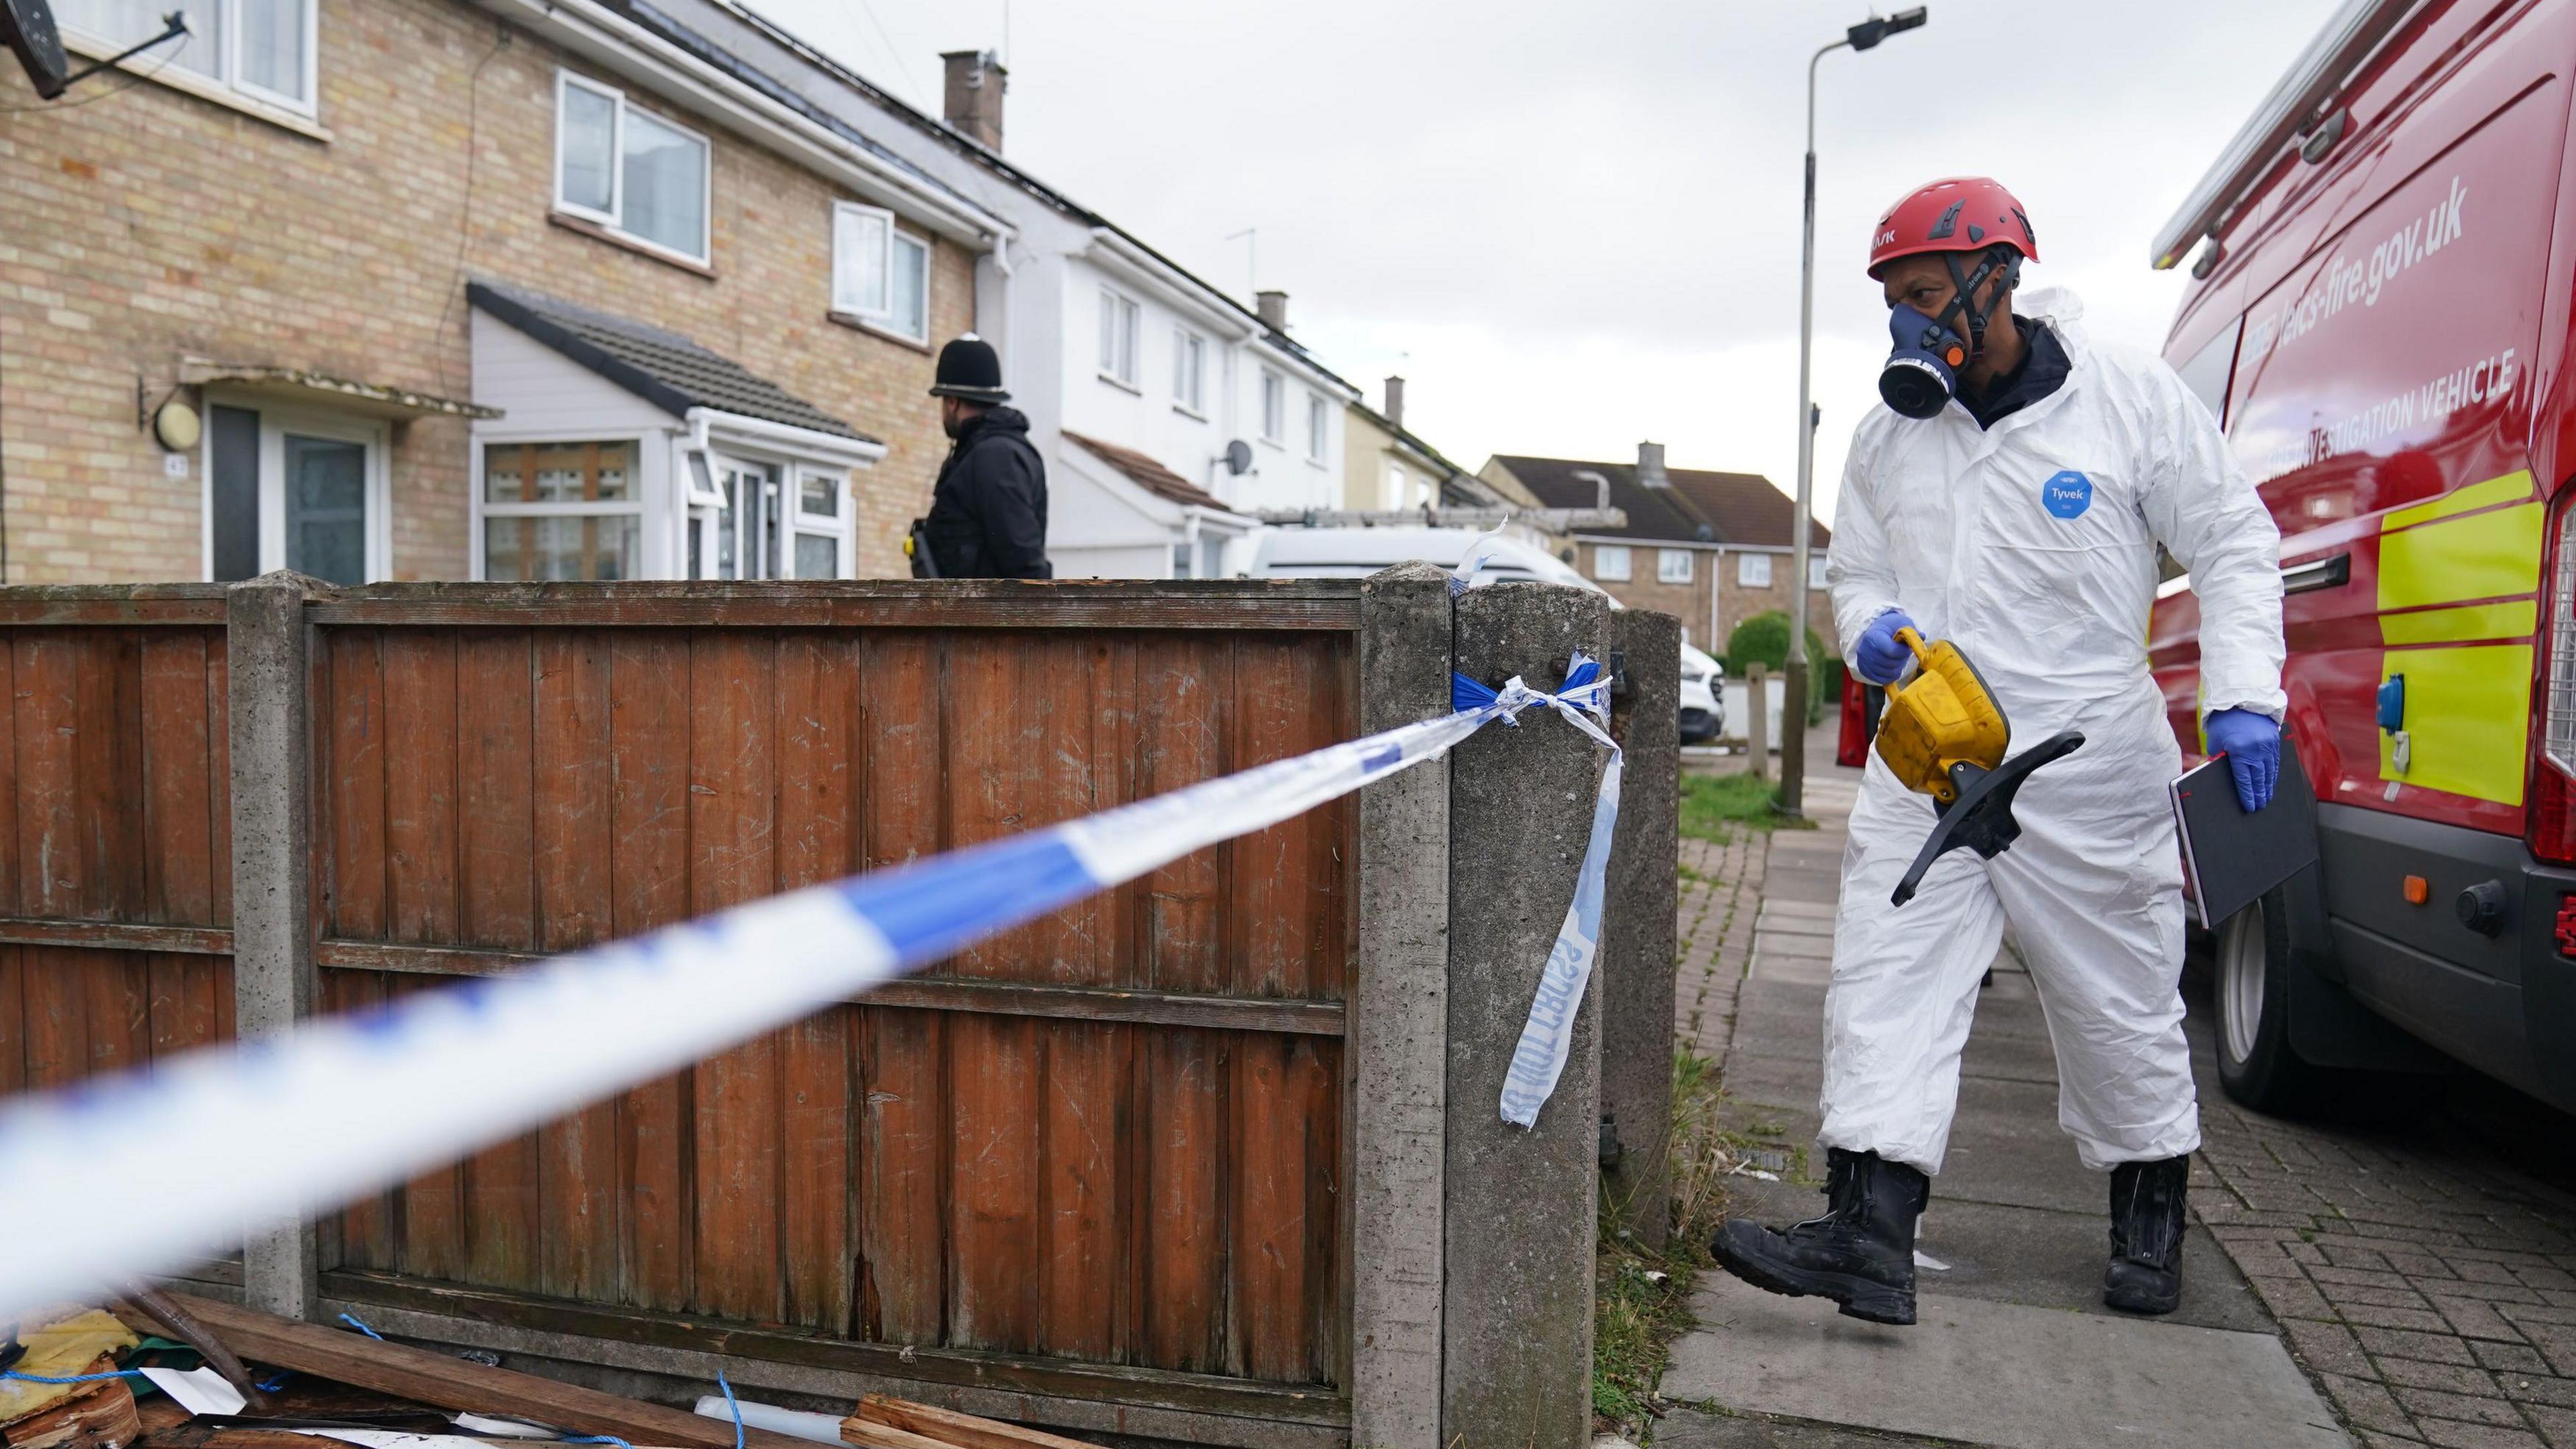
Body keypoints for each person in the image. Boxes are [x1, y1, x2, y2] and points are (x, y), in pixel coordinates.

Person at [1711, 177, 2285, 1326]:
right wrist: (1867, 634)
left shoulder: (2126, 401)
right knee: (1887, 975)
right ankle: (1869, 1236)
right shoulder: (1886, 438)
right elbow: (1858, 572)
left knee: (2116, 994)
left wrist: (2245, 698)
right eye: (1892, 301)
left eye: (1926, 294)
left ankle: (2148, 1215)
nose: (1907, 325)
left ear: (1998, 277)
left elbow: (2232, 541)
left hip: (2089, 757)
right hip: (1934, 751)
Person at [918, 334, 1050, 579]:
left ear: (952, 402)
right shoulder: (987, 453)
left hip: (985, 615)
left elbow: (1023, 558)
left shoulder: (995, 457)